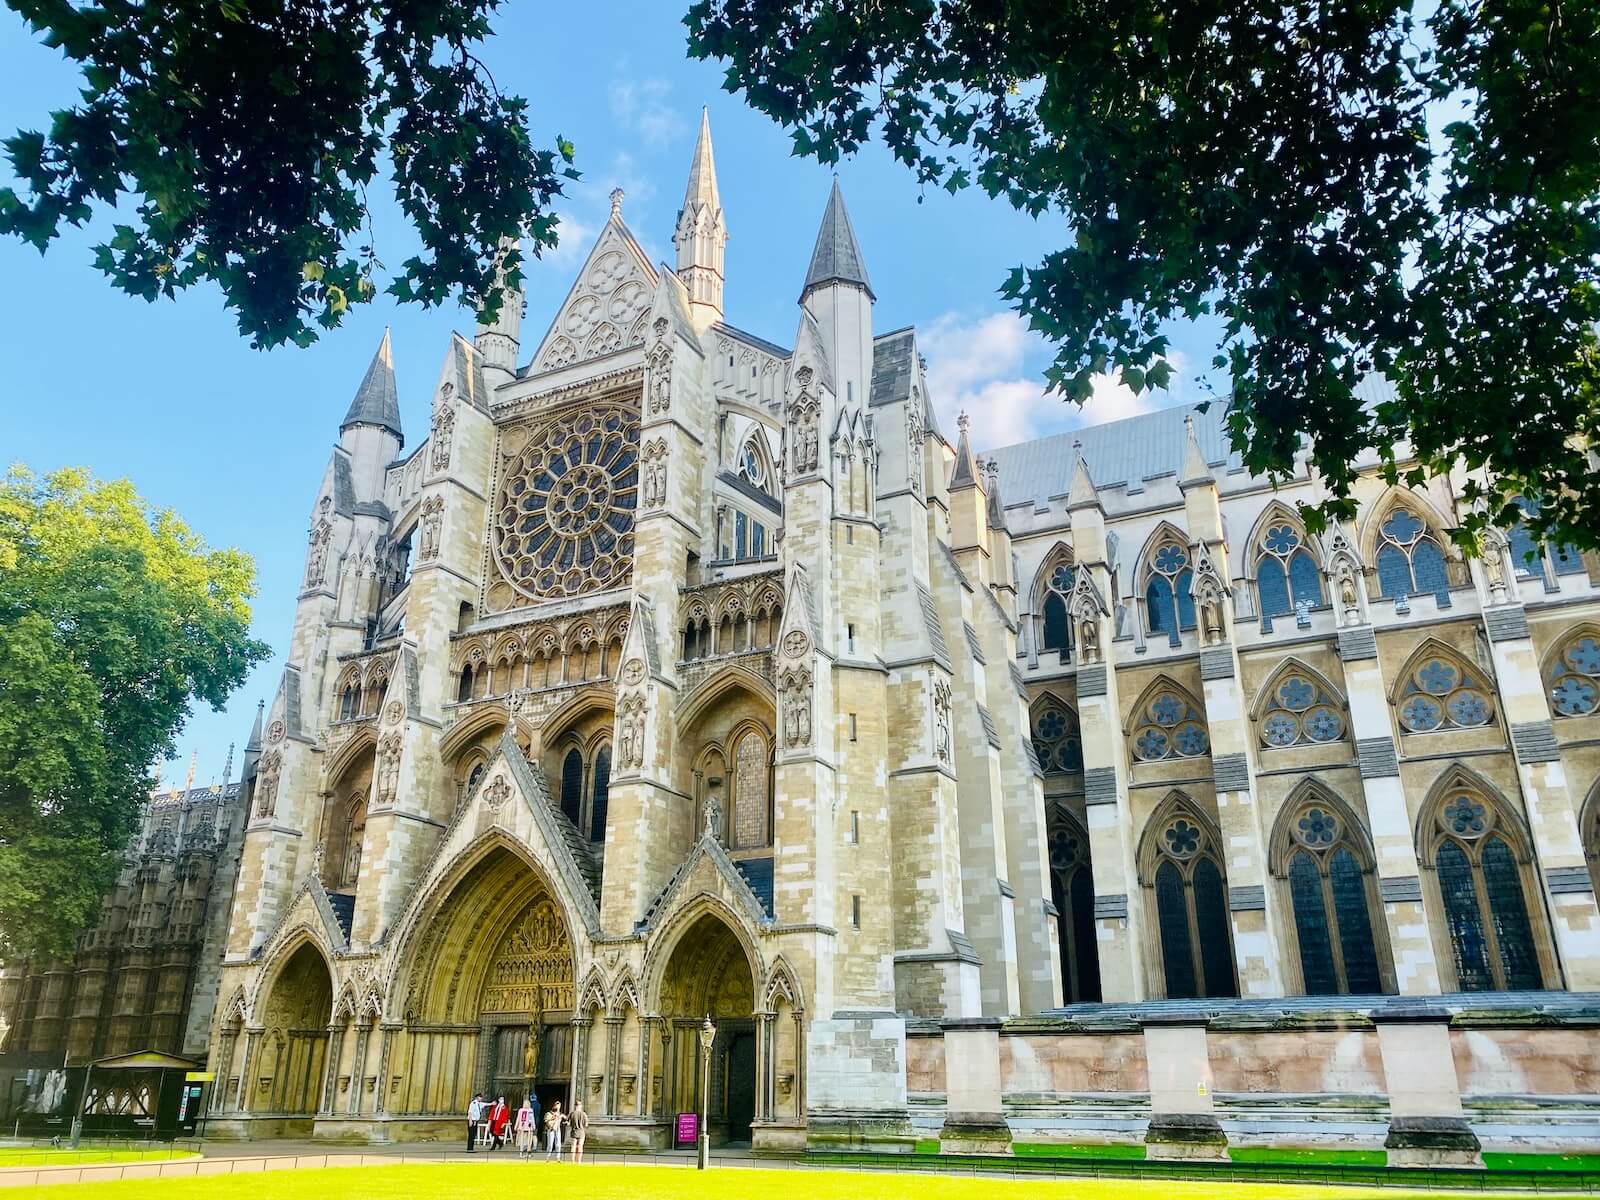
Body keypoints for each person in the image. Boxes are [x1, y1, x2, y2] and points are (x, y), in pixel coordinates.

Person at [569, 1099, 588, 1163]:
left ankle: (572, 1161)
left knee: (573, 1146)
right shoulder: (584, 1114)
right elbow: (586, 1124)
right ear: (581, 1106)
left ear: (575, 1106)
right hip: (581, 1132)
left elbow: (569, 1123)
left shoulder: (572, 1114)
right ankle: (579, 1161)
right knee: (580, 1147)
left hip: (574, 1132)